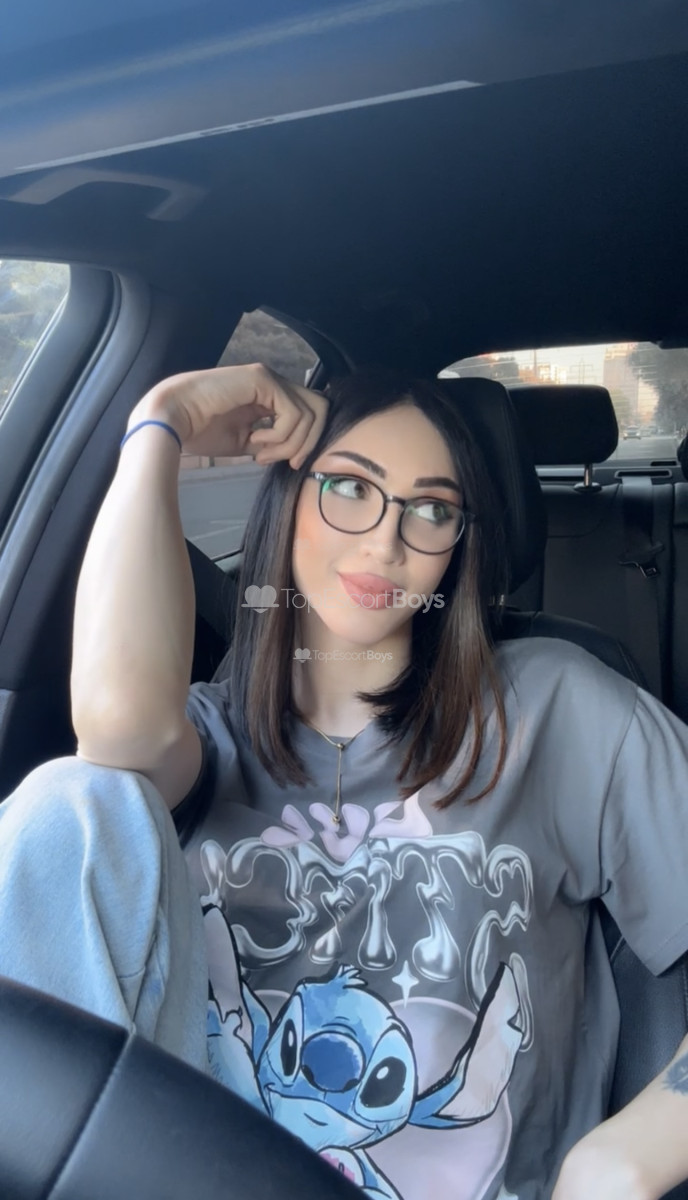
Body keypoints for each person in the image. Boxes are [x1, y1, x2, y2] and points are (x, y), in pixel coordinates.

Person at [2, 363, 688, 1200]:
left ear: (460, 545)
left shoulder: (557, 710)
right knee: (65, 803)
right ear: (286, 500)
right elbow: (115, 730)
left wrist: (622, 1162)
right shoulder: (206, 741)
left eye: (431, 509)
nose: (386, 542)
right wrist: (160, 422)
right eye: (351, 488)